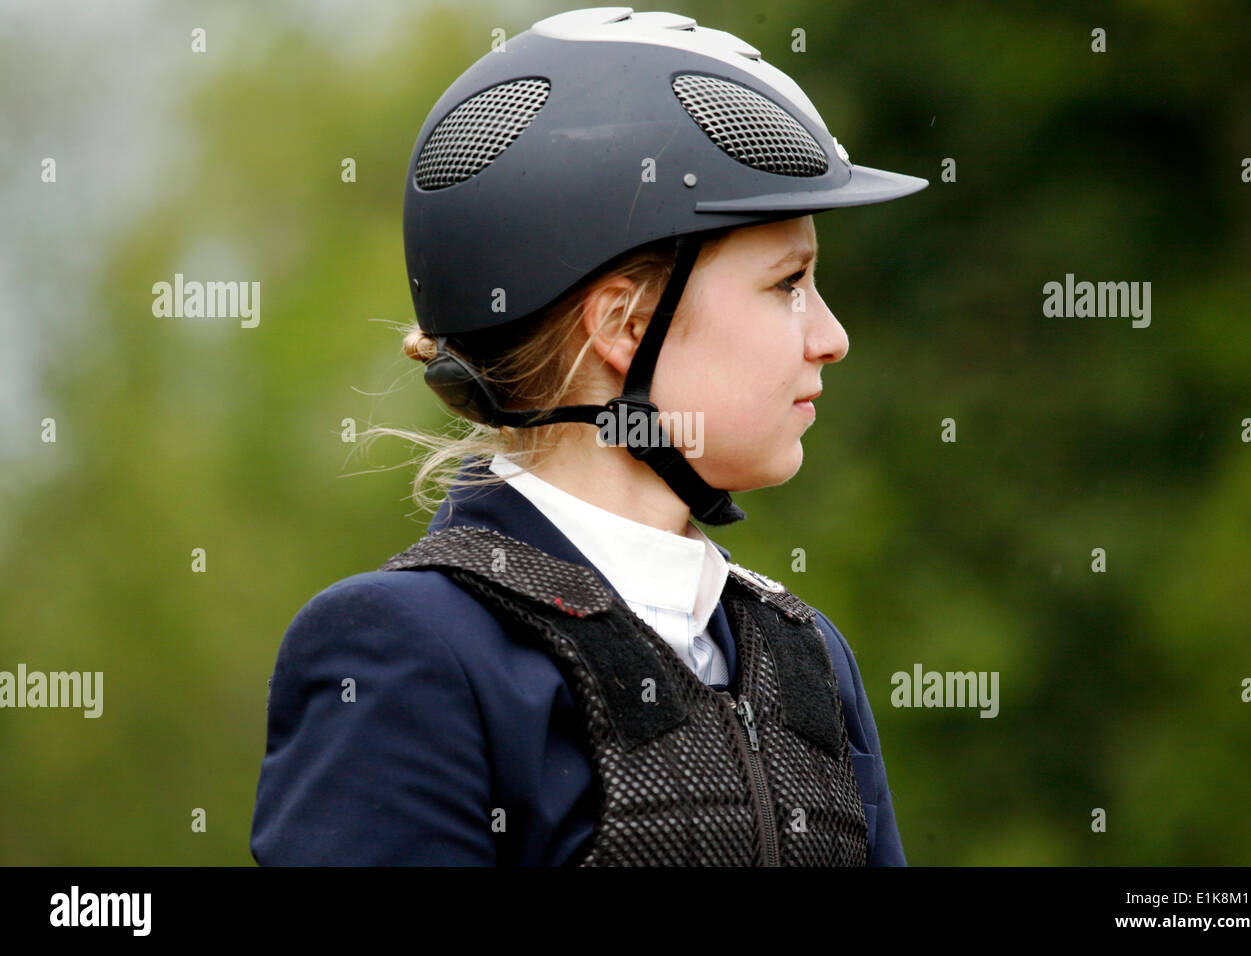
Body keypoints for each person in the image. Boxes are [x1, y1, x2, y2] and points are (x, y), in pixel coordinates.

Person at [250, 7, 927, 866]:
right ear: (624, 323)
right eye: (787, 282)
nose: (831, 336)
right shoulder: (407, 649)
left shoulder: (806, 656)